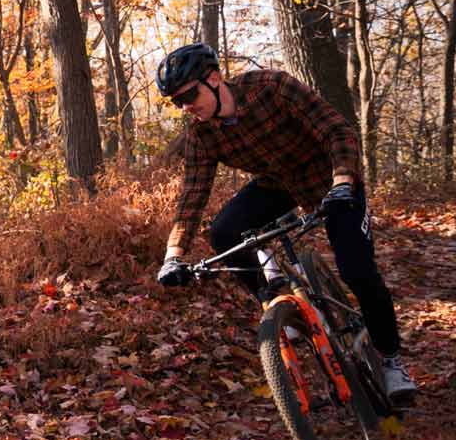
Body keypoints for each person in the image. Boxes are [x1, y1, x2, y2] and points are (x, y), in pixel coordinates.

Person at [153, 43, 416, 404]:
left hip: (331, 178)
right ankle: (277, 304)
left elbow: (338, 133)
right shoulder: (202, 135)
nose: (186, 108)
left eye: (189, 95)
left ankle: (390, 360)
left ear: (213, 79)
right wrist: (173, 256)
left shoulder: (272, 88)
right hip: (277, 185)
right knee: (223, 233)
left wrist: (342, 183)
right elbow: (192, 196)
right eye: (176, 103)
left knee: (358, 270)